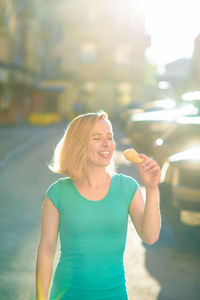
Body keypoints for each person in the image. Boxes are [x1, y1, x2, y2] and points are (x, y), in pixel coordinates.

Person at [36, 111, 161, 300]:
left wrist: (152, 189)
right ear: (79, 144)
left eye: (109, 137)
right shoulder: (57, 192)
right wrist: (40, 298)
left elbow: (150, 237)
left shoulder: (127, 187)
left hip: (114, 295)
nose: (107, 144)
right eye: (97, 138)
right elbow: (46, 250)